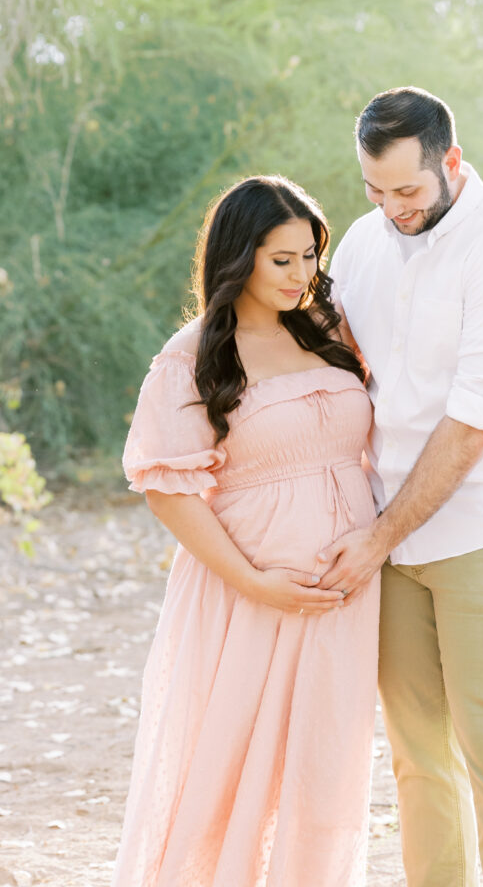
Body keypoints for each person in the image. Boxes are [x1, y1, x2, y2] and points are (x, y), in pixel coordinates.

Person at [320, 86, 483, 887]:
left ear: (450, 163)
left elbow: (472, 424)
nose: (391, 207)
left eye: (407, 190)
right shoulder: (363, 241)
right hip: (393, 535)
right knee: (417, 757)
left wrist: (374, 538)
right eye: (375, 189)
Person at [112, 175, 380, 887]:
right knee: (226, 775)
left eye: (308, 257)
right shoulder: (193, 355)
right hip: (247, 592)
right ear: (240, 257)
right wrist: (256, 583)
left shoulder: (328, 331)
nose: (301, 276)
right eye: (281, 260)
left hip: (342, 592)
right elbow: (167, 491)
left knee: (324, 771)